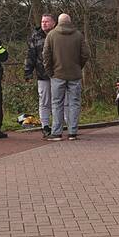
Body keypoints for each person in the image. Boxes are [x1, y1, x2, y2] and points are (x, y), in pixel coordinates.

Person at [42, 13, 89, 141]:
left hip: (57, 74)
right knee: (74, 103)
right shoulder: (78, 35)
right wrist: (78, 67)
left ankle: (56, 132)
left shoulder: (51, 35)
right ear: (70, 21)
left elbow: (46, 55)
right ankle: (72, 132)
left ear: (58, 22)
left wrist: (50, 71)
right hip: (75, 74)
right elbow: (85, 54)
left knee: (57, 103)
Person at [24, 13, 55, 137]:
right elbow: (30, 55)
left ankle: (61, 123)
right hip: (42, 74)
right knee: (44, 100)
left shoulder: (58, 35)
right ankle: (45, 125)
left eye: (47, 21)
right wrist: (28, 71)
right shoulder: (35, 37)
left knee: (60, 100)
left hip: (58, 74)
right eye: (42, 21)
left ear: (53, 23)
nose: (44, 24)